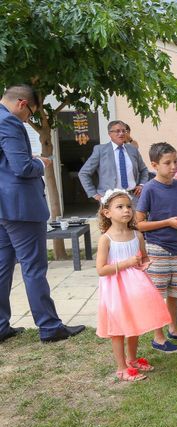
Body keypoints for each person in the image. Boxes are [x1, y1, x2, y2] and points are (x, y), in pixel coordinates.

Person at [0, 84, 85, 343]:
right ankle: (49, 327)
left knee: (3, 268)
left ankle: (1, 326)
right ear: (22, 104)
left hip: (3, 207)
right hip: (21, 207)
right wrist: (41, 161)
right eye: (30, 114)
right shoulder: (10, 123)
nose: (29, 119)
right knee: (33, 267)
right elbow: (23, 168)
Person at [95, 189, 172, 381]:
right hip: (116, 290)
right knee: (119, 328)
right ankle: (121, 368)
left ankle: (132, 359)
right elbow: (101, 269)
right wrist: (126, 264)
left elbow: (142, 257)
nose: (126, 210)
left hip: (136, 288)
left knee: (134, 324)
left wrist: (144, 262)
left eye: (129, 206)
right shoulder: (106, 239)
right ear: (107, 213)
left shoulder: (137, 235)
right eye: (119, 207)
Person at [136, 142, 177, 354]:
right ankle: (158, 337)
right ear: (154, 164)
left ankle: (174, 330)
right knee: (157, 295)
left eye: (175, 161)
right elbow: (139, 224)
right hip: (158, 249)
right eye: (167, 163)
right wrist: (167, 223)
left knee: (174, 293)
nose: (173, 167)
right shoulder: (149, 189)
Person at [78, 120, 149, 205]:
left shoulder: (132, 150)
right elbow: (83, 173)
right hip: (110, 198)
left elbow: (144, 170)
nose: (122, 133)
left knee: (136, 218)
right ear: (110, 134)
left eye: (124, 131)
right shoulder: (100, 150)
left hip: (133, 197)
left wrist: (141, 185)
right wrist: (95, 194)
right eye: (118, 131)